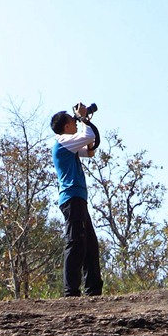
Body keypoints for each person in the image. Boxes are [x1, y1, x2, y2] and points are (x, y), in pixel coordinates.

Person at [50, 103, 102, 297]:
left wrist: (83, 120)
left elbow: (90, 151)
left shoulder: (68, 144)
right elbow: (89, 136)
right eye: (72, 120)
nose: (75, 121)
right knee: (75, 241)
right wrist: (84, 118)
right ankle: (70, 291)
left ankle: (93, 289)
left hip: (78, 197)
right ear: (66, 127)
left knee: (89, 243)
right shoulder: (63, 141)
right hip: (72, 198)